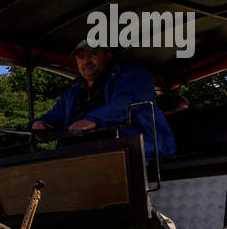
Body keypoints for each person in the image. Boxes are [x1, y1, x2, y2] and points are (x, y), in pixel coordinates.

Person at [31, 39, 176, 158]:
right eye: (81, 57)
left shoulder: (132, 75)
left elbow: (130, 100)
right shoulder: (73, 91)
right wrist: (41, 123)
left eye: (92, 54)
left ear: (108, 56)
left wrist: (94, 120)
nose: (86, 61)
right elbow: (56, 115)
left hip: (131, 151)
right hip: (78, 157)